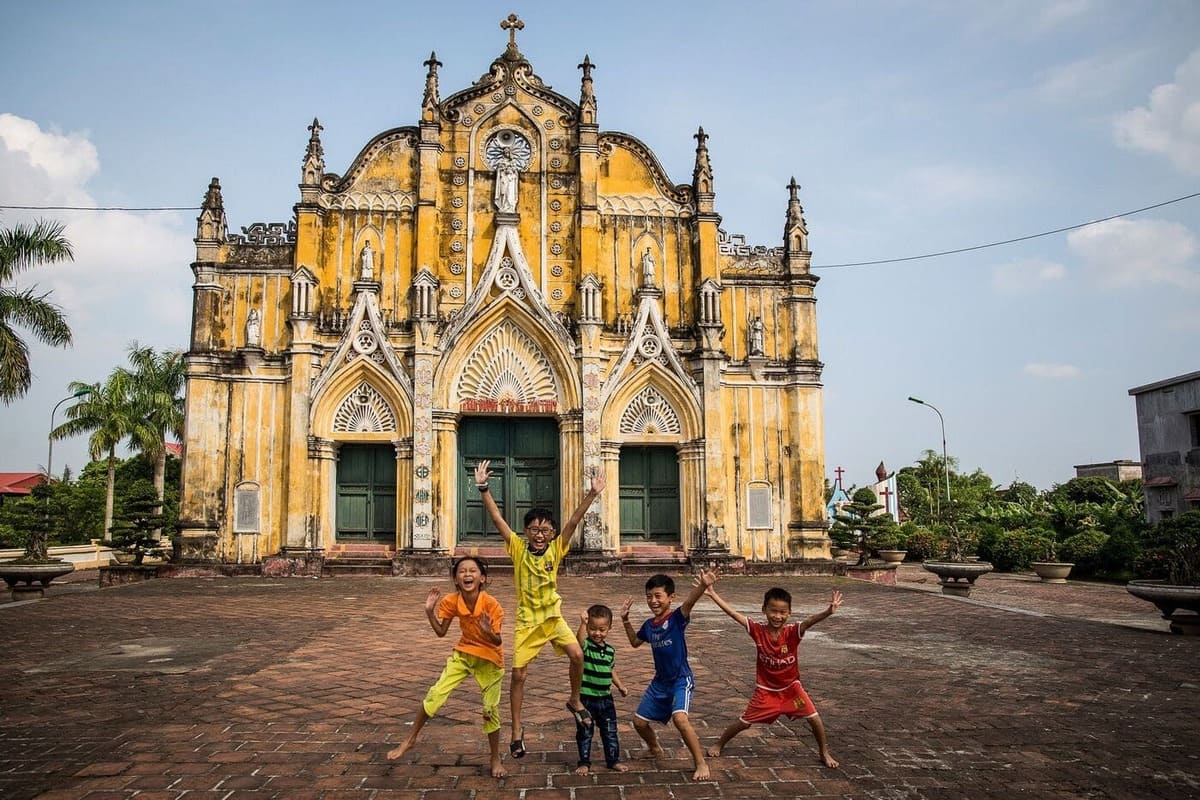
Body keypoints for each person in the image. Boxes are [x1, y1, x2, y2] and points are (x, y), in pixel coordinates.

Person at [473, 459, 605, 759]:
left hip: (553, 617)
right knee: (518, 675)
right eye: (534, 529)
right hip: (527, 622)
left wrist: (592, 494)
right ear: (526, 532)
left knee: (577, 655)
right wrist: (483, 488)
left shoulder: (557, 548)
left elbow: (573, 522)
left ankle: (574, 700)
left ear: (552, 532)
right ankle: (517, 729)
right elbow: (497, 520)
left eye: (545, 529)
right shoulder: (518, 549)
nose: (540, 534)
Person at [386, 556, 507, 778]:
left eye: (472, 571)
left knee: (490, 710)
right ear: (456, 579)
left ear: (483, 578)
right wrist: (429, 612)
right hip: (463, 654)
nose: (467, 575)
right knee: (435, 694)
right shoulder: (452, 601)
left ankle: (495, 757)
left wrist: (488, 630)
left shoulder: (491, 604)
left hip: (490, 659)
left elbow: (497, 641)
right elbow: (441, 632)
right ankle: (410, 739)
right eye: (462, 571)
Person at [703, 579, 842, 767]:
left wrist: (828, 611)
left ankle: (824, 752)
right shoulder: (758, 631)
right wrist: (713, 594)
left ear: (789, 613)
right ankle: (719, 743)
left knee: (814, 718)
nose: (778, 616)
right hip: (766, 691)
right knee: (744, 722)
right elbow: (733, 613)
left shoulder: (792, 633)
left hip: (792, 690)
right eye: (773, 611)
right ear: (764, 610)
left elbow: (809, 622)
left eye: (783, 612)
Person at [619, 569, 717, 782]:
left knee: (680, 719)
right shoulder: (648, 625)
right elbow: (635, 643)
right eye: (649, 597)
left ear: (670, 598)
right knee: (639, 723)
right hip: (660, 682)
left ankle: (700, 762)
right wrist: (625, 620)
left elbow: (689, 603)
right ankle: (655, 748)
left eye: (657, 596)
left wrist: (702, 586)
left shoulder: (676, 619)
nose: (653, 601)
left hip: (681, 679)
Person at [573, 604, 630, 775]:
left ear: (609, 629)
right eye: (593, 629)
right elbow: (580, 640)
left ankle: (613, 760)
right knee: (585, 733)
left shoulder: (610, 651)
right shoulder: (587, 647)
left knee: (610, 732)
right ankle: (584, 762)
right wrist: (582, 624)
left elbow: (611, 669)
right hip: (586, 699)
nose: (597, 633)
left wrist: (620, 686)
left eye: (602, 629)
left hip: (606, 699)